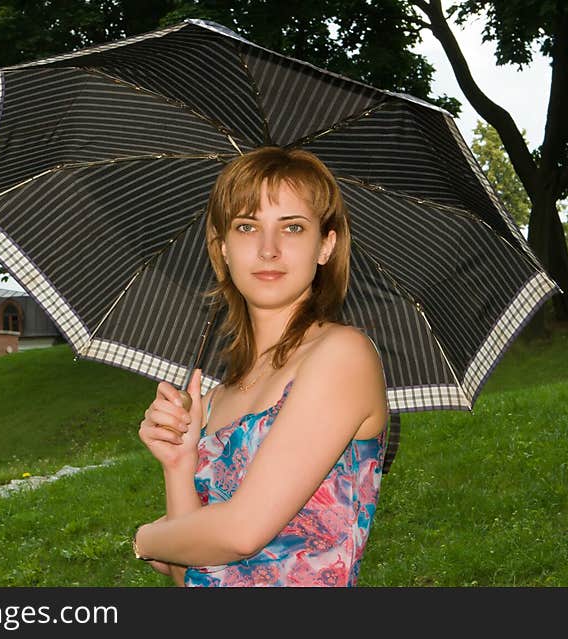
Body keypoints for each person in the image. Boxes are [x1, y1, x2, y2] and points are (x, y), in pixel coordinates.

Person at [134, 146, 389, 587]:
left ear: (325, 245)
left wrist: (144, 539)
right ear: (222, 247)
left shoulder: (341, 356)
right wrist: (179, 463)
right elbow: (192, 576)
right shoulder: (215, 398)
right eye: (247, 227)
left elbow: (240, 533)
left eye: (292, 228)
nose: (268, 249)